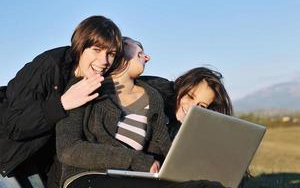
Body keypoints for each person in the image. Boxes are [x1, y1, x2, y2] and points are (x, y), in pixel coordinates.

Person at [0, 15, 123, 188]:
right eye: (96, 49)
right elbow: (14, 125)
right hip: (6, 158)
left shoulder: (94, 81)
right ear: (80, 46)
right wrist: (62, 104)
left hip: (38, 164)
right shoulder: (49, 65)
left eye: (110, 54)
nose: (103, 61)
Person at [56, 37, 171, 187]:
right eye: (140, 51)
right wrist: (136, 160)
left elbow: (162, 144)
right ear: (119, 47)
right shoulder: (84, 86)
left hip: (133, 178)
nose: (147, 57)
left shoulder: (153, 97)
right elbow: (68, 149)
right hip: (88, 176)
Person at [140, 67, 251, 187]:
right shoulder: (155, 97)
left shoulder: (199, 128)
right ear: (180, 85)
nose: (192, 107)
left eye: (201, 106)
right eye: (190, 96)